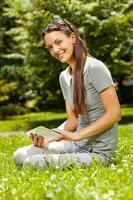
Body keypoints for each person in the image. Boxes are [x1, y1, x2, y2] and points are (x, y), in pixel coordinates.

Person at [13, 18, 121, 169]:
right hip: (76, 145)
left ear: (72, 37)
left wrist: (78, 135)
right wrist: (49, 137)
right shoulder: (64, 76)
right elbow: (73, 121)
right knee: (19, 155)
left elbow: (114, 114)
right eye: (50, 47)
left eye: (58, 42)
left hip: (97, 153)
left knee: (32, 163)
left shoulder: (94, 67)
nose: (55, 50)